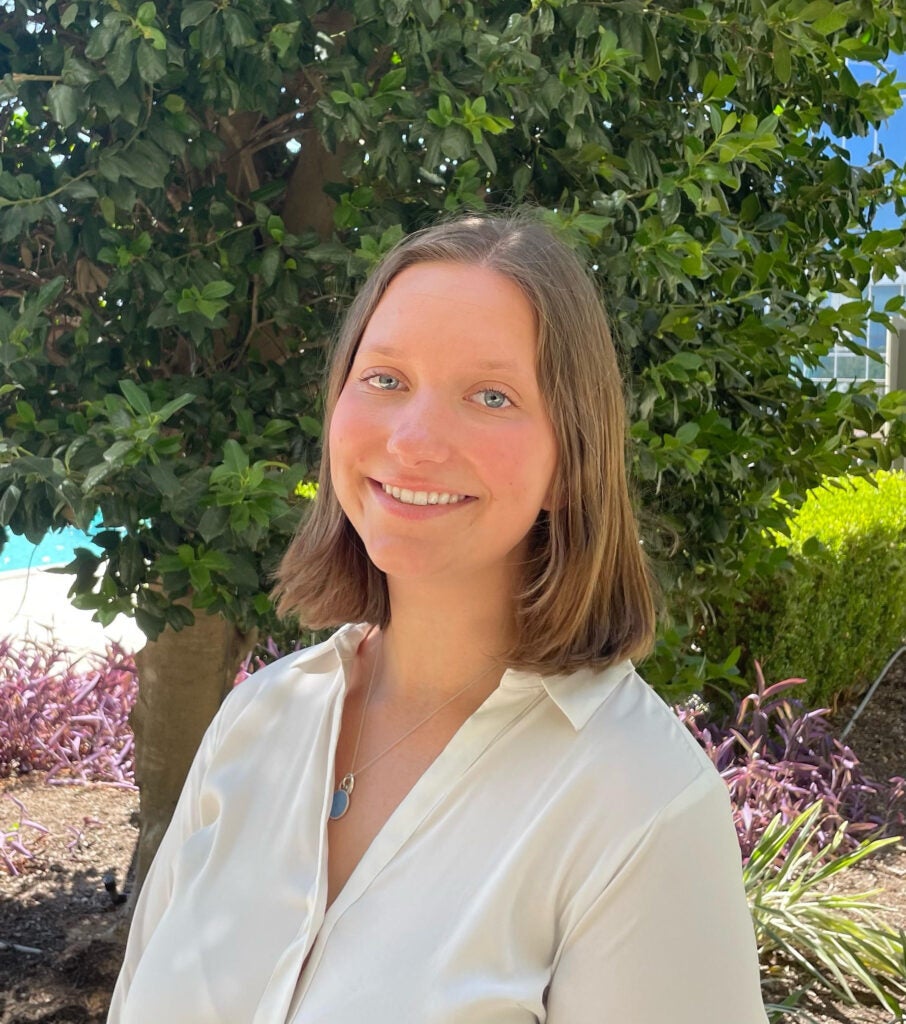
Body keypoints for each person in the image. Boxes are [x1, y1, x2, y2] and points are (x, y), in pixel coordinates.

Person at [108, 214, 769, 1023]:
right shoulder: (257, 722)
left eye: (490, 396)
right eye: (385, 379)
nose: (413, 440)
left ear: (572, 462)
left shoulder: (639, 804)